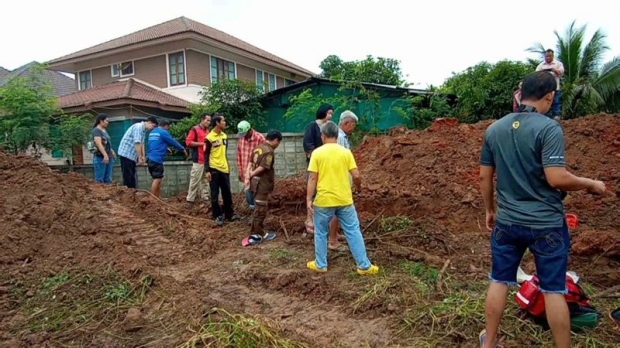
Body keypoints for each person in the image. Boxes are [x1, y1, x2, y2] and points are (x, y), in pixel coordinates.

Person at [478, 71, 606, 348]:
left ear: (521, 95)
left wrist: (490, 210)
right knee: (553, 289)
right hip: (546, 224)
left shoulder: (494, 129)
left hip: (507, 222)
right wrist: (591, 184)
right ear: (549, 96)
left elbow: (485, 177)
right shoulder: (549, 129)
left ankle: (488, 343)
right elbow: (556, 178)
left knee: (499, 280)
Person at [306, 121, 379, 275]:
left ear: (323, 136)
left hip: (324, 200)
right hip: (345, 200)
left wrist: (308, 199)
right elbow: (357, 175)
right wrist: (358, 188)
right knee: (353, 230)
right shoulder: (346, 152)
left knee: (320, 232)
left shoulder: (317, 153)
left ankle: (321, 264)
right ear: (336, 134)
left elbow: (312, 179)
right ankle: (364, 266)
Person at [243, 130, 283, 244]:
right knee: (260, 209)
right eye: (278, 142)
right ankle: (258, 233)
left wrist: (247, 176)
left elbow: (250, 164)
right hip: (262, 184)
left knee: (258, 207)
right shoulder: (269, 151)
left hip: (254, 183)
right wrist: (251, 174)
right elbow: (263, 168)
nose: (278, 145)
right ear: (275, 140)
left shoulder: (258, 148)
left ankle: (257, 231)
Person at [328, 110, 359, 251]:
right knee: (337, 210)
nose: (354, 128)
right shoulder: (339, 138)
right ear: (346, 123)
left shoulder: (343, 137)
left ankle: (335, 234)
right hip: (339, 182)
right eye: (353, 125)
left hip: (341, 181)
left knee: (338, 211)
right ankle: (332, 241)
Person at [302, 103, 334, 234]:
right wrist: (318, 156)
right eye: (329, 113)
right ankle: (309, 219)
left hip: (328, 165)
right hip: (315, 165)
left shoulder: (330, 128)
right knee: (312, 191)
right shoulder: (313, 127)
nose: (331, 115)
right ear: (323, 112)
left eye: (332, 113)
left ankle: (324, 220)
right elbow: (308, 146)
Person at [204, 113, 239, 226]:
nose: (225, 123)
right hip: (214, 168)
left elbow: (223, 153)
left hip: (224, 169)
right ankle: (218, 215)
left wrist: (227, 166)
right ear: (217, 123)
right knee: (214, 194)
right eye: (223, 121)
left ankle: (230, 214)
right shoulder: (209, 138)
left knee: (227, 193)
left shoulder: (224, 136)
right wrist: (207, 170)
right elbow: (206, 154)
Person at [146, 120, 187, 198]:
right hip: (156, 159)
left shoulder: (153, 132)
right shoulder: (163, 132)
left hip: (150, 158)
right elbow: (172, 141)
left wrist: (166, 148)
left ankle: (158, 198)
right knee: (157, 179)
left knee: (158, 179)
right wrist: (182, 149)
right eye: (168, 128)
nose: (168, 130)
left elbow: (155, 143)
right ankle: (152, 199)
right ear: (166, 126)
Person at [117, 116, 158, 188]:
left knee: (132, 176)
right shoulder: (138, 127)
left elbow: (142, 144)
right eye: (153, 126)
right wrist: (139, 157)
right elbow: (137, 143)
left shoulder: (143, 130)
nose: (152, 129)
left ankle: (132, 192)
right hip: (126, 154)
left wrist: (143, 157)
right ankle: (128, 193)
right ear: (149, 122)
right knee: (128, 176)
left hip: (131, 156)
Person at [236, 120, 266, 210]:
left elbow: (264, 156)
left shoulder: (260, 138)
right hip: (246, 171)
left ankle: (259, 211)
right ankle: (252, 210)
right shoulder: (241, 139)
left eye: (245, 134)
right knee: (248, 191)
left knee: (257, 193)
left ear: (250, 130)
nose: (243, 136)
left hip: (257, 172)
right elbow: (239, 156)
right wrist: (241, 172)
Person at [185, 113, 211, 207]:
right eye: (207, 120)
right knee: (194, 180)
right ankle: (190, 200)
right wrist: (202, 144)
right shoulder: (195, 129)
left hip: (206, 160)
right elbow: (188, 142)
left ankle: (205, 198)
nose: (208, 122)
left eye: (209, 121)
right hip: (198, 160)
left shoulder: (208, 131)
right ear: (202, 119)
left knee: (205, 181)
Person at [535, 49, 565, 120]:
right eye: (547, 56)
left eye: (550, 56)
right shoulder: (541, 65)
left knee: (556, 101)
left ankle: (556, 116)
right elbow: (535, 74)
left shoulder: (558, 64)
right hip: (544, 88)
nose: (548, 57)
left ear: (553, 56)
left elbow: (561, 72)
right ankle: (545, 117)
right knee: (545, 102)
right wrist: (541, 72)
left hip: (555, 87)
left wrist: (555, 70)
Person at [91, 113, 116, 184]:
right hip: (100, 157)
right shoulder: (96, 130)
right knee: (100, 178)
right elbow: (98, 143)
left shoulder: (104, 130)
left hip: (109, 155)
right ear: (101, 121)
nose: (108, 123)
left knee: (108, 178)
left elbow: (106, 142)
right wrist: (105, 155)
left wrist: (111, 151)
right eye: (106, 121)